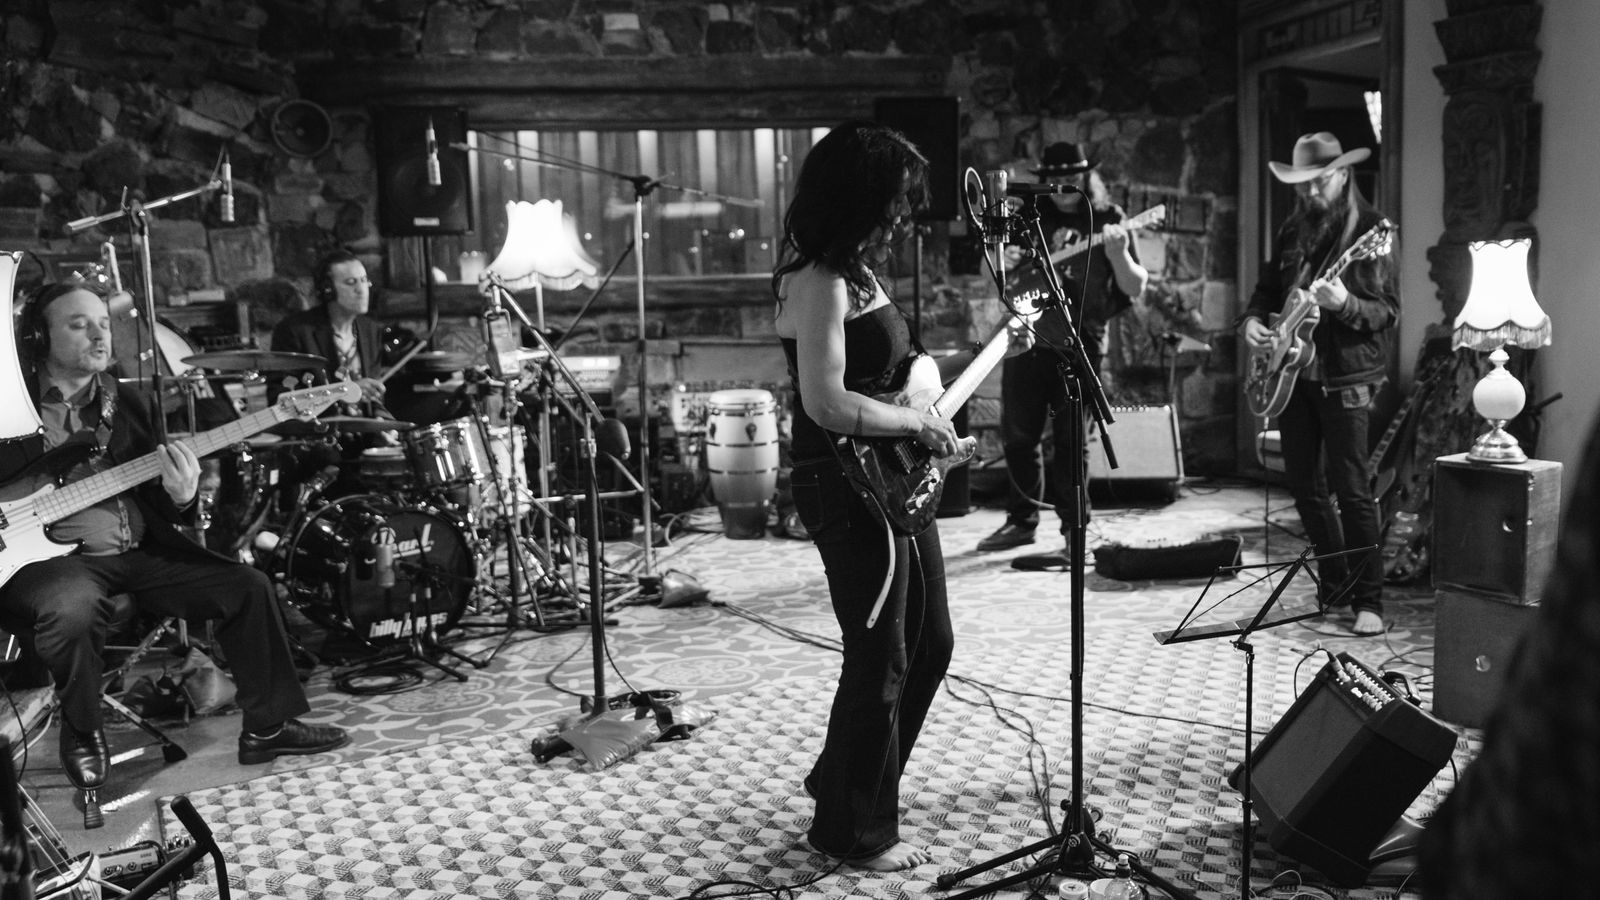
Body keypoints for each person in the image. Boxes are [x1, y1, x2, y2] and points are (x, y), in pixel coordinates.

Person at [774, 120, 1029, 872]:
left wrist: (972, 366)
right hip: (842, 483)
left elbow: (891, 373)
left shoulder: (857, 273)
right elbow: (826, 401)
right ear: (853, 201)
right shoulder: (819, 281)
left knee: (930, 643)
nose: (899, 222)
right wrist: (916, 422)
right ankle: (849, 831)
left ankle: (841, 778)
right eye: (889, 206)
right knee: (880, 655)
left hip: (886, 477)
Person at [0, 283, 349, 796]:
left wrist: (181, 494)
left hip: (137, 553)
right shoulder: (11, 407)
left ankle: (269, 727)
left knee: (247, 585)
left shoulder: (124, 401)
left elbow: (157, 498)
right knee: (71, 606)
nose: (99, 334)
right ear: (37, 336)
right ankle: (83, 729)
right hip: (47, 563)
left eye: (103, 323)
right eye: (79, 324)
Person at [1239, 132, 1398, 636]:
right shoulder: (1293, 227)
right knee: (1305, 488)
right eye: (1302, 183)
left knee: (1353, 491)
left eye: (1319, 181)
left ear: (1343, 174)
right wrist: (1252, 322)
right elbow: (1268, 290)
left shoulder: (1371, 231)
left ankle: (1369, 601)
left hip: (1345, 376)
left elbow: (1387, 311)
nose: (1309, 192)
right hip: (1291, 375)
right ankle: (1336, 585)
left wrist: (1344, 304)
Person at [976, 142, 1149, 570]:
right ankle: (1022, 520)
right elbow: (989, 276)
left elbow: (1135, 287)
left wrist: (1117, 254)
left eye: (1074, 177)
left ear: (1087, 176)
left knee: (1073, 442)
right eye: (1058, 179)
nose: (1066, 186)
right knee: (1019, 436)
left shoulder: (1107, 218)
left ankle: (1075, 529)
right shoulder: (1026, 216)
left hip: (1080, 341)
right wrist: (999, 258)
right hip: (1026, 334)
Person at [270, 249, 392, 419]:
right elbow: (281, 402)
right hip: (320, 431)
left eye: (364, 280)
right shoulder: (295, 331)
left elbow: (373, 397)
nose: (361, 289)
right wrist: (342, 392)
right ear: (327, 289)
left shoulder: (369, 330)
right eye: (351, 282)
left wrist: (383, 422)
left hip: (363, 432)